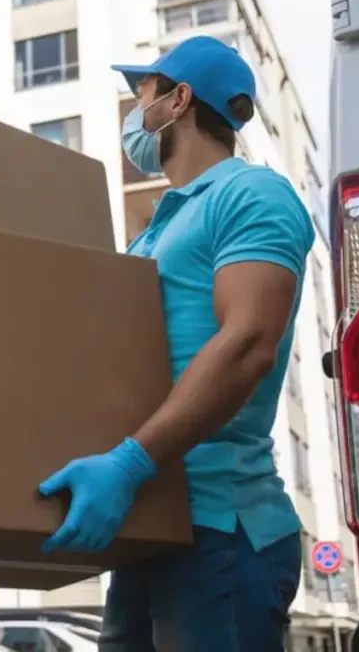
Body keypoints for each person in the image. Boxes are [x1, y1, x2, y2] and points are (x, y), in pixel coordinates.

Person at [38, 35, 315, 652]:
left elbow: (247, 344)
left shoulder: (253, 194)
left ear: (178, 101)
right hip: (146, 520)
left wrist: (130, 461)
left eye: (141, 98)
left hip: (220, 528)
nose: (133, 118)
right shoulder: (155, 230)